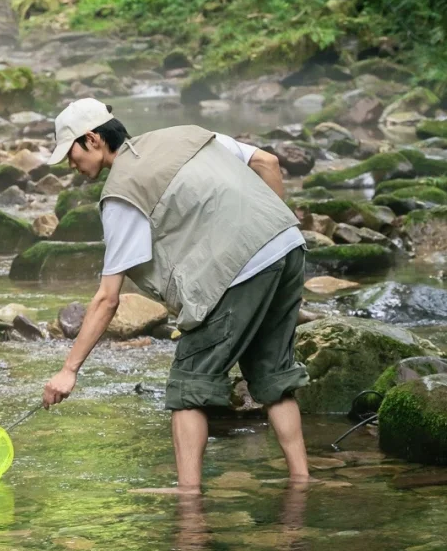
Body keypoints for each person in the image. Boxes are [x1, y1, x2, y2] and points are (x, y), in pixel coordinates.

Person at [40, 98, 310, 490]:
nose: (69, 164)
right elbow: (267, 162)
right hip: (287, 245)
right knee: (273, 375)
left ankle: (189, 502)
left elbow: (107, 298)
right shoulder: (187, 135)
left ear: (93, 139)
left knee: (187, 388)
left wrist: (69, 371)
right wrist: (268, 234)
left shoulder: (121, 193)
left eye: (70, 152)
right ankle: (302, 482)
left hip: (238, 268)